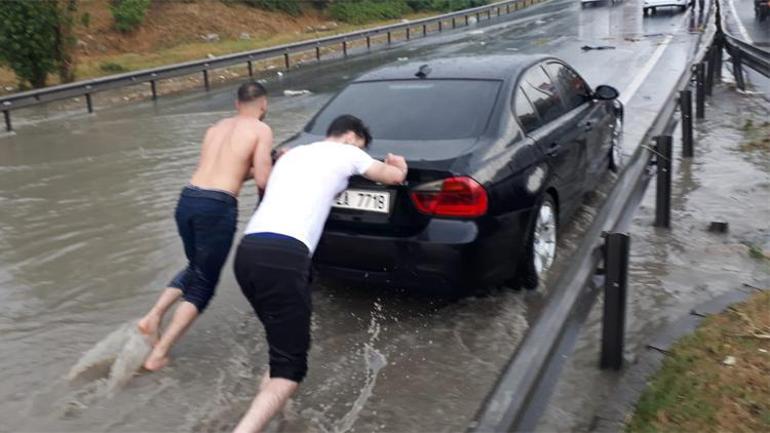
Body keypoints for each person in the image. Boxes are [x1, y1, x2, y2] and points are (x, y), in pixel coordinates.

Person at [231, 115, 408, 433]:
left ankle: (281, 418)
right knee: (291, 369)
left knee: (281, 346)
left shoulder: (293, 153)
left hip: (247, 253)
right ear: (352, 136)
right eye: (363, 145)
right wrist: (399, 164)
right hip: (284, 258)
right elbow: (392, 177)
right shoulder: (350, 153)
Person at [137, 81, 274, 371]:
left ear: (237, 104)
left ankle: (153, 317)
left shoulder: (215, 128)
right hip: (217, 207)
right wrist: (278, 163)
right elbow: (263, 180)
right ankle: (160, 352)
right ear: (264, 105)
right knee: (205, 284)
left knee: (195, 266)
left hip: (188, 199)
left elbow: (227, 169)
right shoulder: (262, 130)